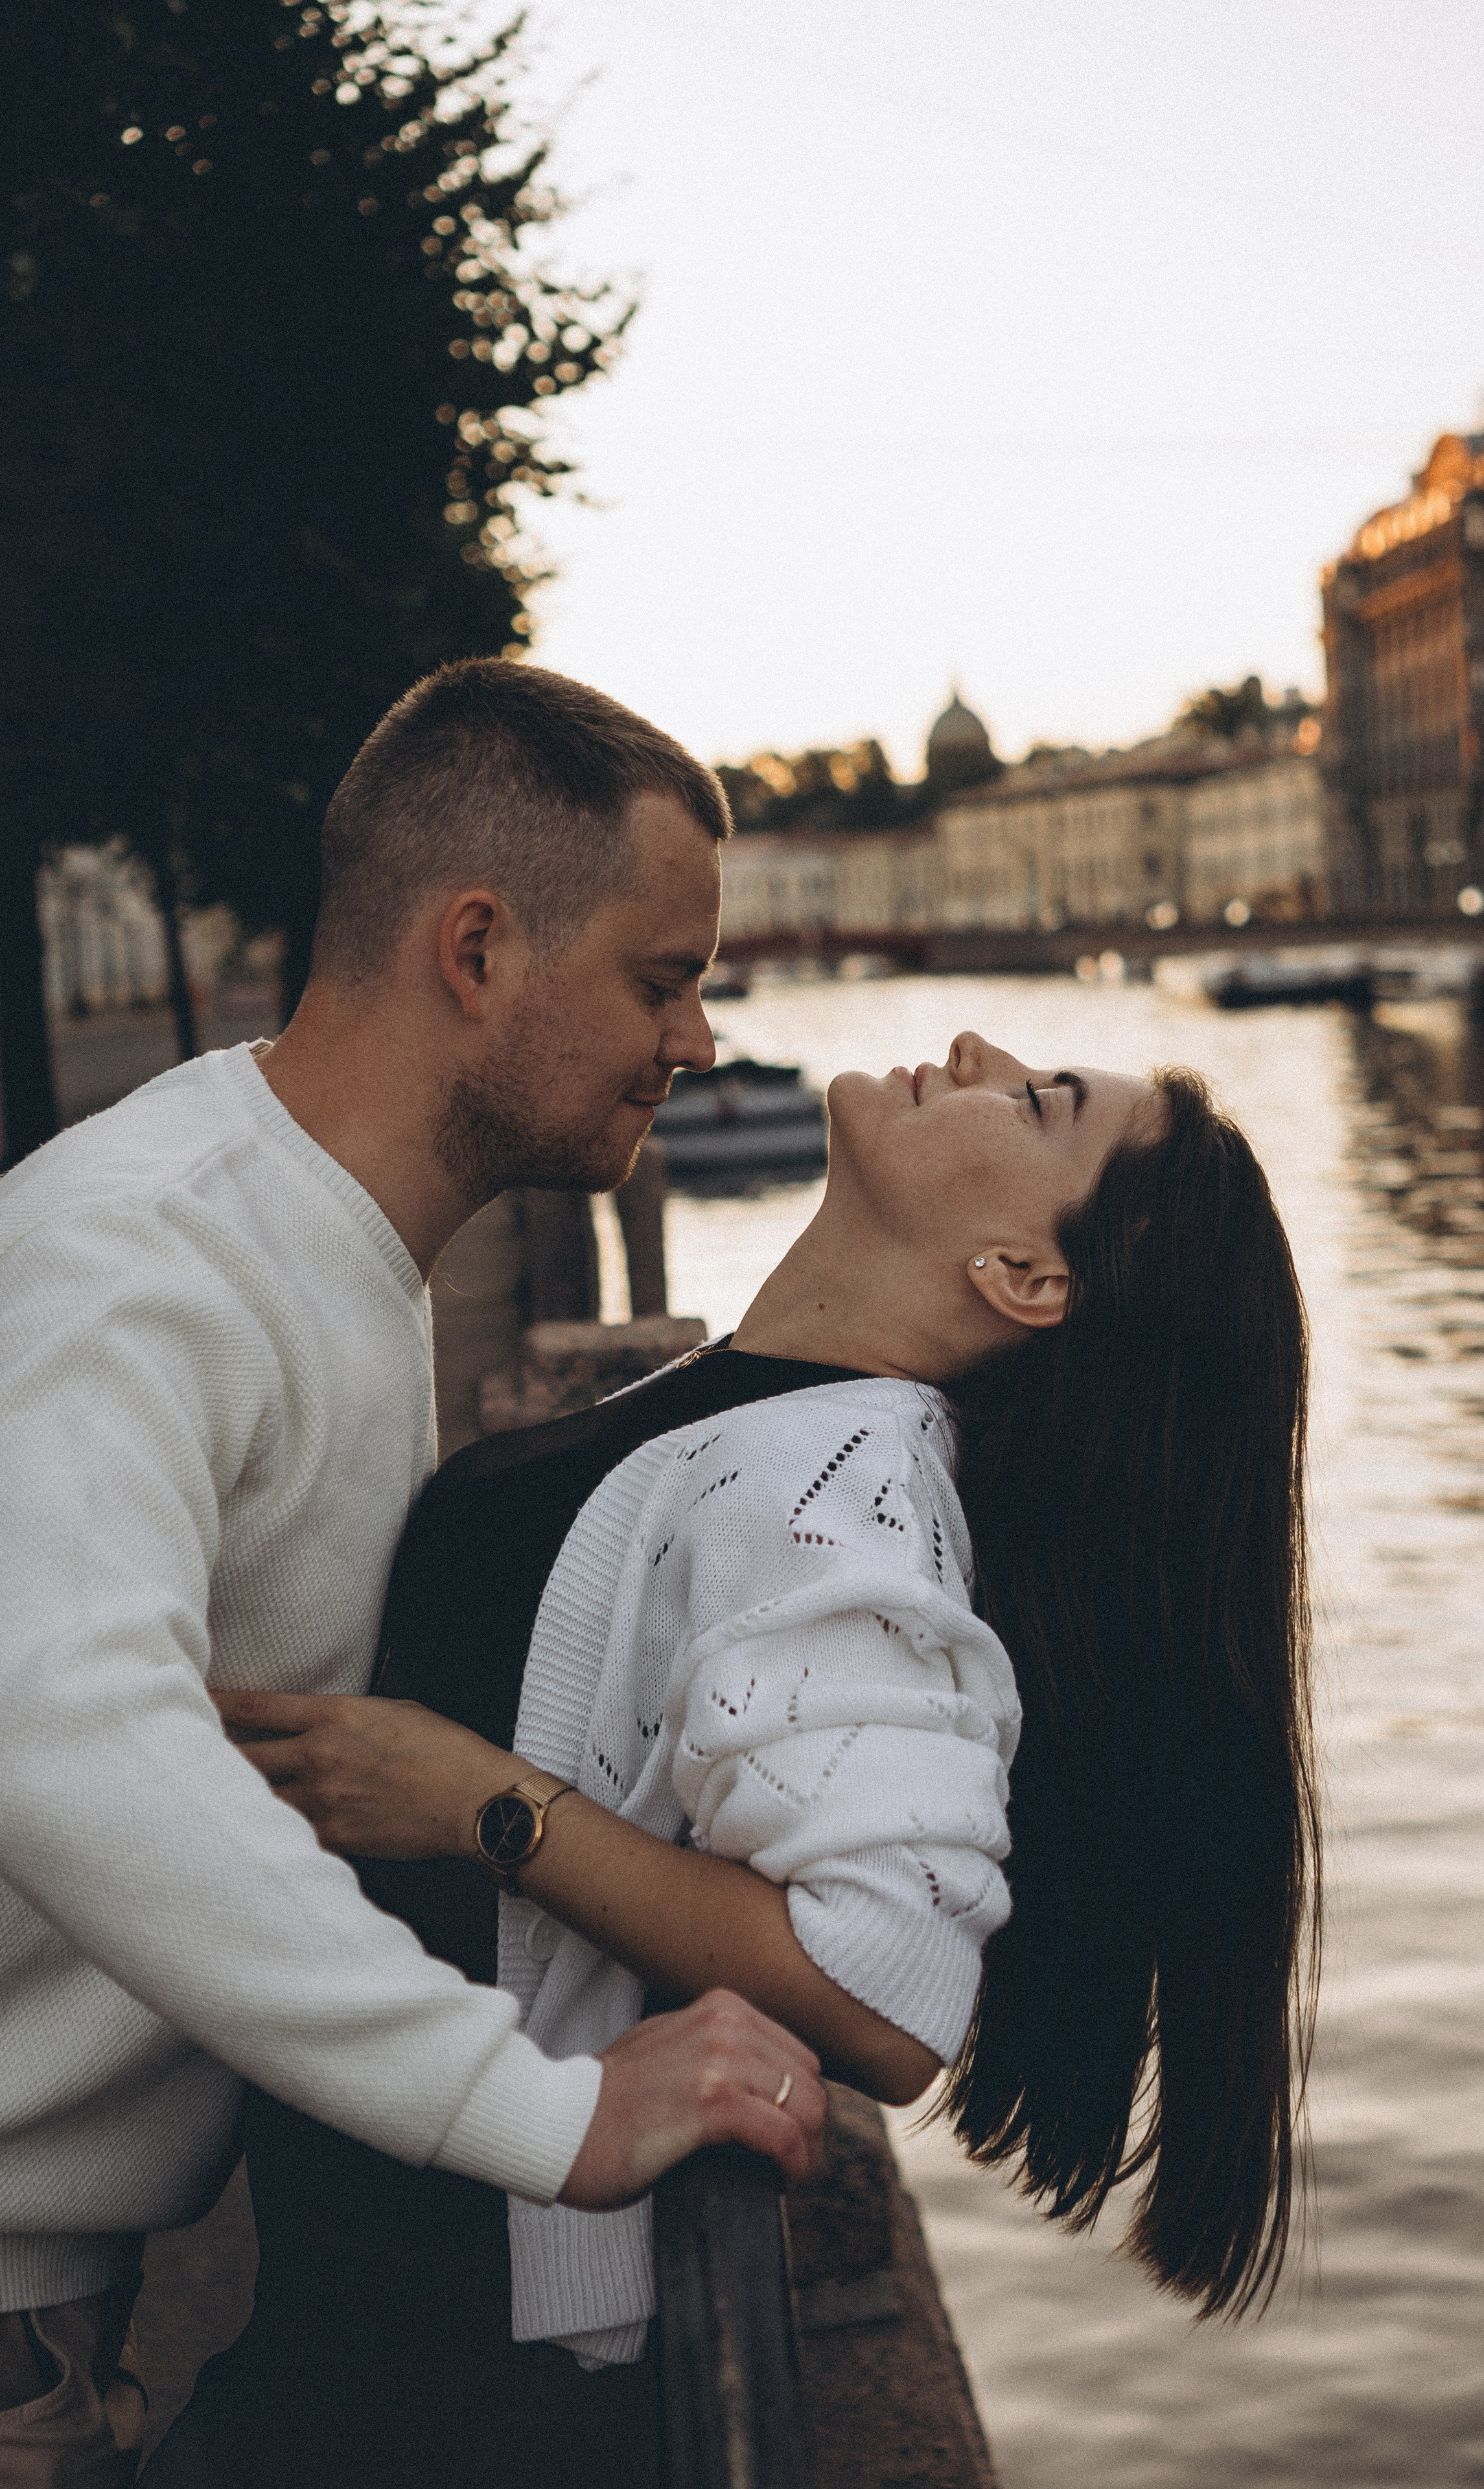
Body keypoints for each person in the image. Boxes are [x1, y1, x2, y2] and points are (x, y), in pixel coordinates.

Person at [182, 1027, 1322, 2486]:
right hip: (374, 2294)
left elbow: (882, 1989)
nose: (974, 1049)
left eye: (1034, 1101)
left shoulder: (827, 1495)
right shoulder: (777, 1422)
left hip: (464, 2372)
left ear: (1023, 1279)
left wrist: (479, 1802)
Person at [0, 661, 829, 2489]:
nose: (695, 1040)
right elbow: (61, 1734)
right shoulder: (138, 1261)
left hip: (83, 2285)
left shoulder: (330, 1244)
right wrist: (539, 2114)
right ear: (478, 953)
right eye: (661, 977)